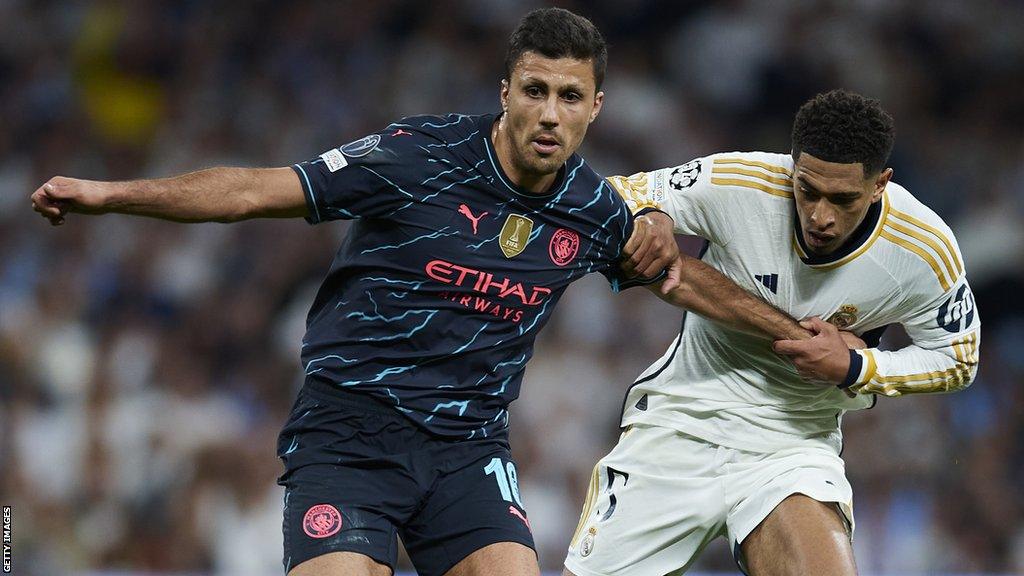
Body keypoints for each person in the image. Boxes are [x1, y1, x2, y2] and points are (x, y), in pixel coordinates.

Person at [29, 8, 816, 576]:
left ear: (594, 108)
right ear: (505, 89)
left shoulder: (596, 211)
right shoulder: (416, 156)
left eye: (569, 97)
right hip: (349, 434)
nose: (549, 113)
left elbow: (683, 279)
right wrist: (108, 194)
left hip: (467, 451)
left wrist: (798, 335)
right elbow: (254, 190)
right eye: (534, 90)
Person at [564, 89, 981, 576]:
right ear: (791, 168)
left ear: (879, 184)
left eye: (842, 199)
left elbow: (959, 357)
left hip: (793, 446)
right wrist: (650, 215)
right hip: (681, 421)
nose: (821, 216)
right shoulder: (740, 182)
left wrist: (857, 366)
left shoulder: (923, 249)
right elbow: (616, 194)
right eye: (808, 190)